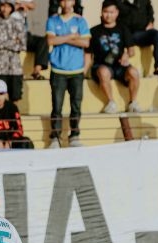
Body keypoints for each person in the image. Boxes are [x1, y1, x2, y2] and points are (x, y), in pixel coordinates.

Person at [46, 0, 89, 149]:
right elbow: (51, 40)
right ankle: (55, 137)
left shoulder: (80, 20)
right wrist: (72, 36)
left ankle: (74, 135)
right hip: (58, 70)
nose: (66, 3)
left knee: (76, 105)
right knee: (57, 106)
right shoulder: (53, 20)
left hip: (76, 70)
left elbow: (85, 43)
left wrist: (62, 38)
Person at [88, 0, 141, 114]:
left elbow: (131, 51)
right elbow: (88, 54)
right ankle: (111, 103)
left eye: (111, 12)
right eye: (106, 12)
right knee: (103, 71)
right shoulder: (94, 31)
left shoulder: (123, 29)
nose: (108, 15)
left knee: (134, 72)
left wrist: (126, 55)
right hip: (101, 65)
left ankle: (133, 103)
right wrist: (84, 72)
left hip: (120, 66)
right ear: (101, 12)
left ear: (117, 13)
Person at [117, 0, 158, 77]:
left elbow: (150, 11)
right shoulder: (119, 2)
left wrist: (150, 22)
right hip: (127, 35)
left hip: (143, 33)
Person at [0, 0, 25, 102]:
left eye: (8, 6)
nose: (5, 9)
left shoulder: (18, 22)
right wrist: (13, 41)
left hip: (15, 68)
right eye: (2, 6)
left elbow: (22, 45)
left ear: (12, 8)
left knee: (15, 98)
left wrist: (2, 43)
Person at [15, 0, 50, 80]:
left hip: (24, 34)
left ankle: (36, 71)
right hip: (9, 33)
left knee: (43, 41)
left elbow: (32, 5)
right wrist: (16, 6)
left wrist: (22, 4)